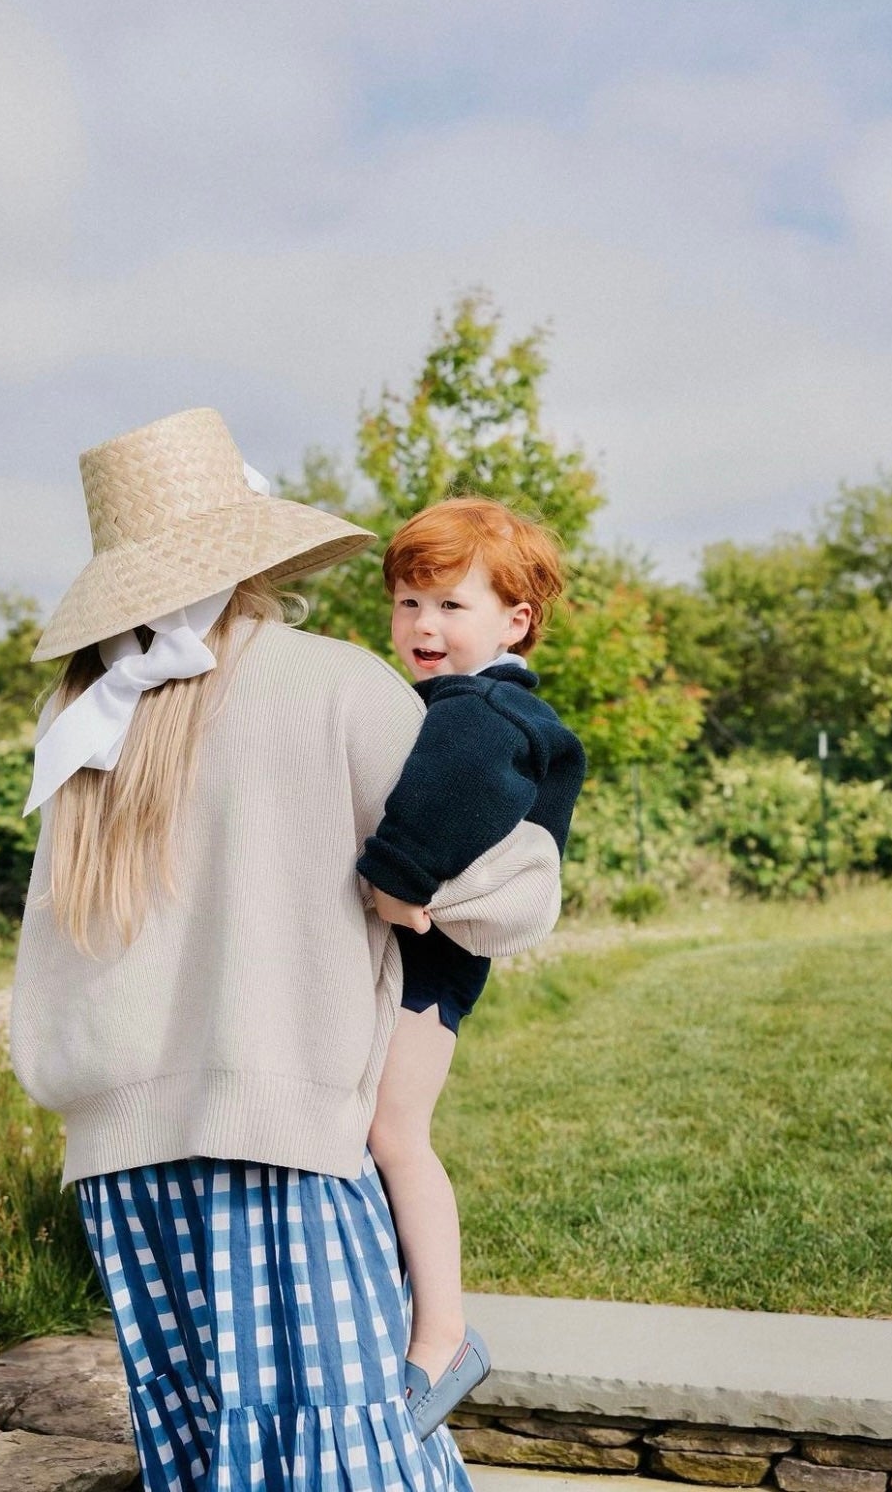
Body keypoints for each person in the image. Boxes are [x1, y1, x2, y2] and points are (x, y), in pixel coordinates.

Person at [10, 408, 564, 1491]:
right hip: (282, 1147)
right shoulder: (336, 685)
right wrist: (418, 893)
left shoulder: (80, 717)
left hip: (120, 1167)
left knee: (204, 1456)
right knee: (347, 1457)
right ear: (253, 548)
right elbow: (507, 897)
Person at [356, 499, 586, 1438]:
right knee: (382, 1132)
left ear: (515, 621)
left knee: (395, 1132)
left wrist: (392, 882)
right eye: (408, 603)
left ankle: (442, 1336)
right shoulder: (463, 703)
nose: (424, 625)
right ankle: (405, 1311)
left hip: (425, 965)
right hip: (428, 965)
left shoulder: (482, 709)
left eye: (452, 605)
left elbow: (445, 805)